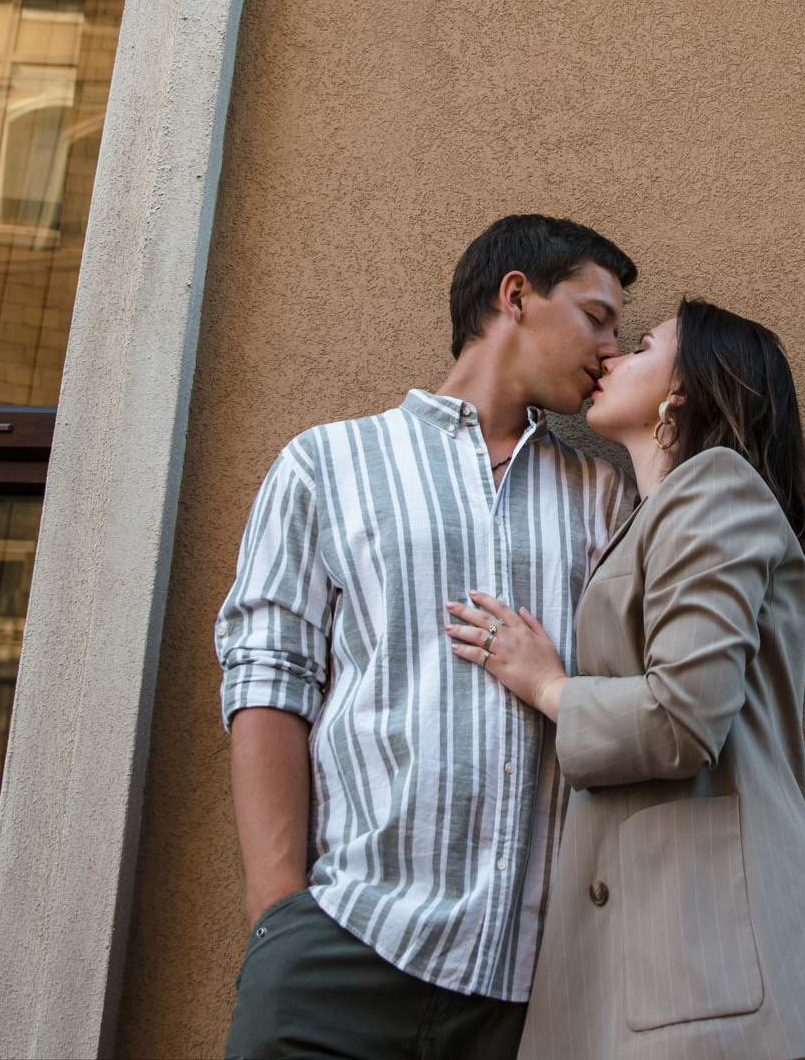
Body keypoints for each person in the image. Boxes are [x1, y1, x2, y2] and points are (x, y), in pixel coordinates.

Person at [217, 214, 638, 1060]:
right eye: (597, 317)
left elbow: (635, 696)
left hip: (530, 992)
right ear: (515, 295)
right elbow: (267, 677)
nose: (612, 350)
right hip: (342, 950)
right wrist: (277, 912)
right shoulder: (327, 464)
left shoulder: (602, 495)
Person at [447, 299, 805, 1060]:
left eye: (640, 346)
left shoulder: (715, 487)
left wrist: (548, 685)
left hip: (719, 969)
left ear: (683, 389)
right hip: (675, 964)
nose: (611, 357)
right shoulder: (653, 515)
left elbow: (683, 717)